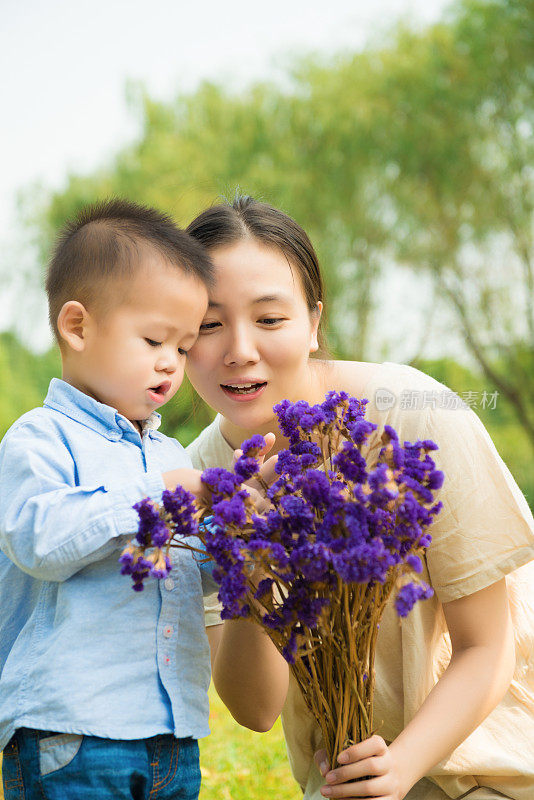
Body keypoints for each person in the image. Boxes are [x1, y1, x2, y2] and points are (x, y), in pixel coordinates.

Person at [184, 196, 534, 800]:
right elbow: (256, 708)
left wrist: (398, 771)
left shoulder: (412, 419)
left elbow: (489, 647)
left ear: (315, 322)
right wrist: (255, 559)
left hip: (486, 770)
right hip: (342, 782)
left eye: (269, 319)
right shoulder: (200, 475)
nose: (239, 349)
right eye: (209, 324)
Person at [0, 199, 218, 800]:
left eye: (183, 346)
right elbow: (38, 540)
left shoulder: (171, 454)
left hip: (172, 735)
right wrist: (158, 496)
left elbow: (185, 569)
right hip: (73, 733)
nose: (170, 365)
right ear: (77, 326)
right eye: (153, 339)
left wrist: (241, 533)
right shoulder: (40, 438)